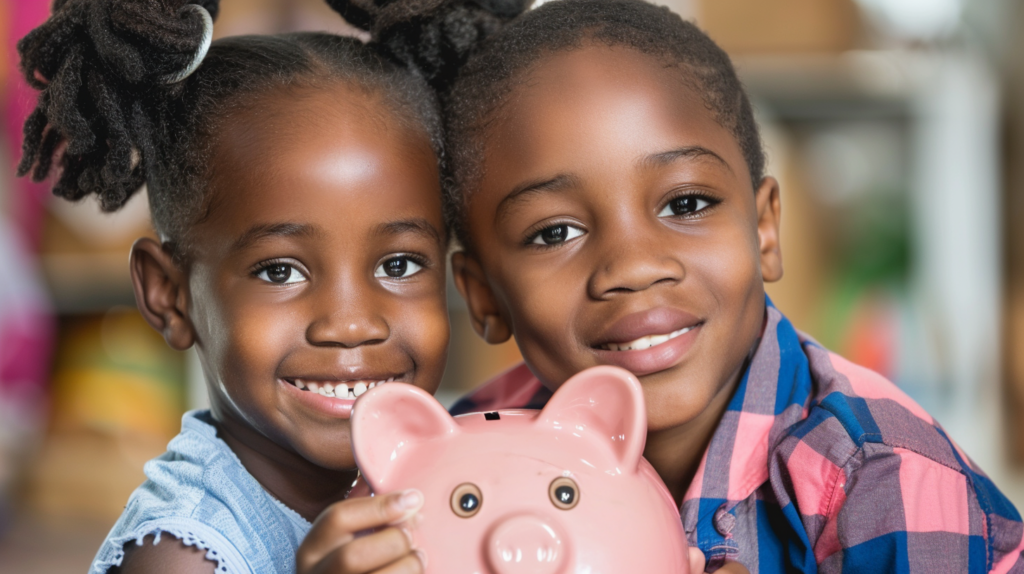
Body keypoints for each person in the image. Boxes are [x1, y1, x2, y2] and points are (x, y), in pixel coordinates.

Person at [433, 0, 1024, 572]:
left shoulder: (882, 476)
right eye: (555, 231)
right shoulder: (467, 449)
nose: (634, 267)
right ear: (483, 294)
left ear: (764, 229)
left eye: (686, 203)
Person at [15, 0, 520, 572]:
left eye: (398, 266)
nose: (351, 323)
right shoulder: (180, 556)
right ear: (168, 293)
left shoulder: (435, 481)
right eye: (281, 271)